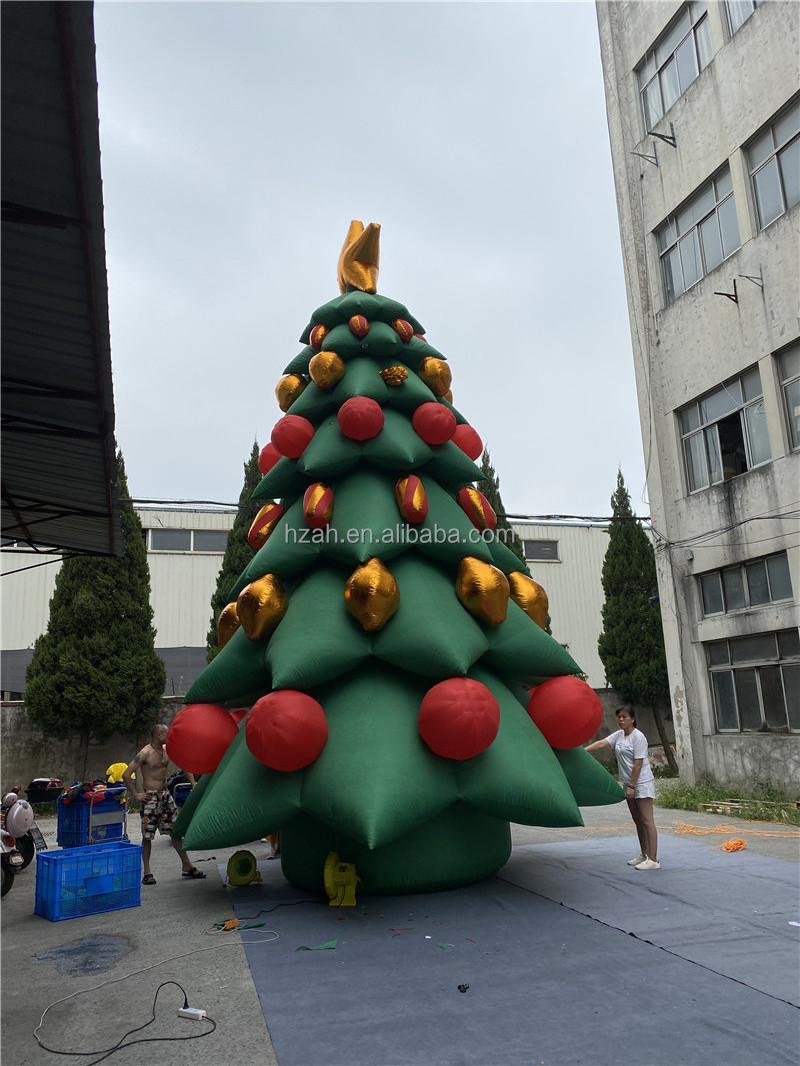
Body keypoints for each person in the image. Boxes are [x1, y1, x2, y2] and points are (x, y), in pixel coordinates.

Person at [122, 723, 205, 885]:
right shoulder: (145, 753)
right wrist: (136, 795)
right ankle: (147, 873)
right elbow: (126, 774)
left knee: (176, 831)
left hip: (166, 796)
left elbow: (184, 763)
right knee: (148, 836)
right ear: (157, 735)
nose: (169, 736)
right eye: (165, 734)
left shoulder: (168, 749)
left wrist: (193, 783)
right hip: (150, 798)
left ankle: (187, 865)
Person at [585, 706, 660, 870]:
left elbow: (638, 764)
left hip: (641, 782)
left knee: (647, 820)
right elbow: (602, 742)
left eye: (624, 717)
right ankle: (644, 854)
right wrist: (583, 751)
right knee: (637, 820)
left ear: (632, 719)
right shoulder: (619, 735)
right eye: (618, 717)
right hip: (627, 782)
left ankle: (653, 860)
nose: (620, 719)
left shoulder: (638, 737)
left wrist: (632, 786)